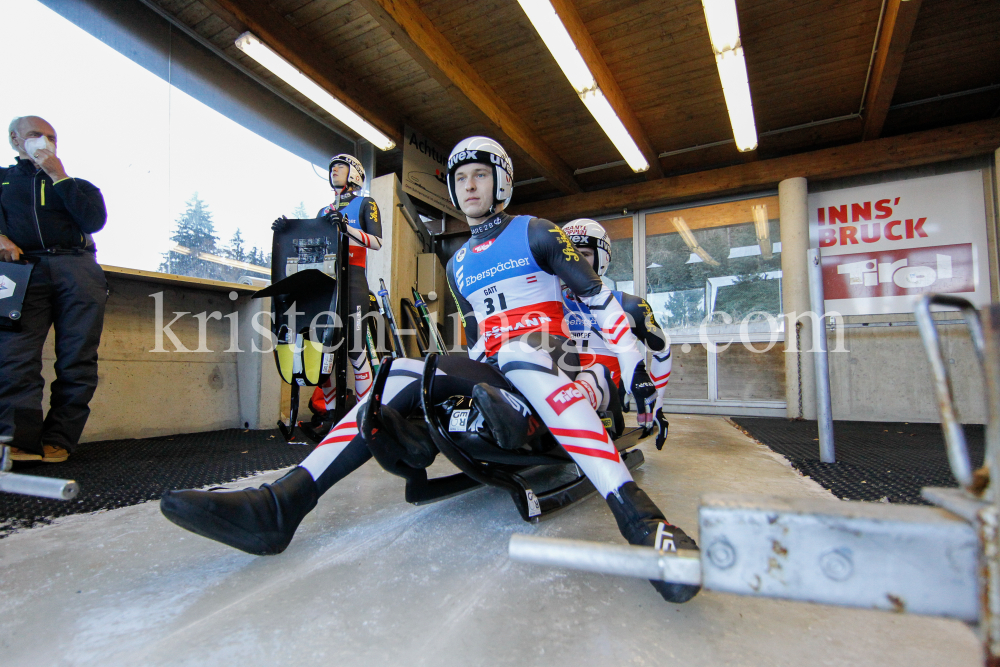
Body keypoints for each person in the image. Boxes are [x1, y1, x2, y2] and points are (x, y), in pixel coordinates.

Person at [160, 137, 700, 604]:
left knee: (515, 354)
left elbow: (599, 298)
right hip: (500, 362)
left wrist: (632, 363)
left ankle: (642, 519)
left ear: (502, 183)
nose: (468, 187)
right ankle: (284, 503)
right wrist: (451, 379)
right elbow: (477, 334)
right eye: (460, 177)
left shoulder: (537, 231)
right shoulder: (460, 261)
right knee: (399, 372)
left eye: (479, 176)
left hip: (550, 354)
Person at [0, 116, 108, 463]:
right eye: (35, 135)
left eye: (51, 137)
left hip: (77, 267)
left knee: (78, 356)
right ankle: (19, 439)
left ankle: (60, 438)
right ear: (16, 140)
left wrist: (58, 175)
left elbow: (93, 221)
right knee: (15, 354)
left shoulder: (78, 185)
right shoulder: (2, 180)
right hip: (21, 270)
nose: (44, 142)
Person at [273, 154, 382, 413]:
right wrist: (285, 230)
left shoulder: (366, 203)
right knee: (326, 352)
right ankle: (330, 415)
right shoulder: (324, 211)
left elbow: (377, 242)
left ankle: (364, 416)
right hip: (326, 283)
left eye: (340, 167)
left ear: (354, 173)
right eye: (332, 168)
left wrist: (347, 229)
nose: (334, 171)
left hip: (354, 279)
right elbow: (311, 244)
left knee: (356, 351)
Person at [560, 219, 672, 449]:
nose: (574, 263)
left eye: (584, 254)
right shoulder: (548, 304)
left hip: (605, 403)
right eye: (568, 255)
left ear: (602, 259)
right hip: (558, 396)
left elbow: (663, 351)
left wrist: (656, 405)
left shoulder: (629, 306)